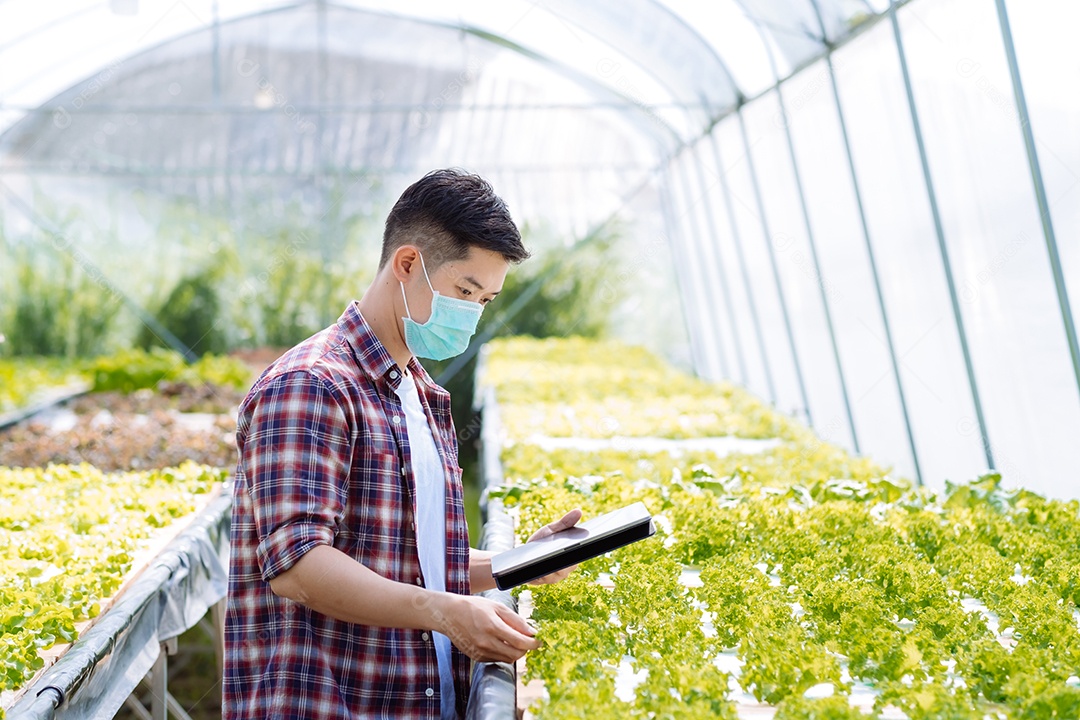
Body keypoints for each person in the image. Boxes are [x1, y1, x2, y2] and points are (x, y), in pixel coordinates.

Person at [222, 169, 581, 720]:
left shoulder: (418, 391)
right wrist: (445, 613)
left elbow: (408, 562)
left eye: (485, 299)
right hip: (331, 703)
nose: (472, 313)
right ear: (408, 263)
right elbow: (299, 566)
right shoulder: (311, 385)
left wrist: (519, 561)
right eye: (464, 291)